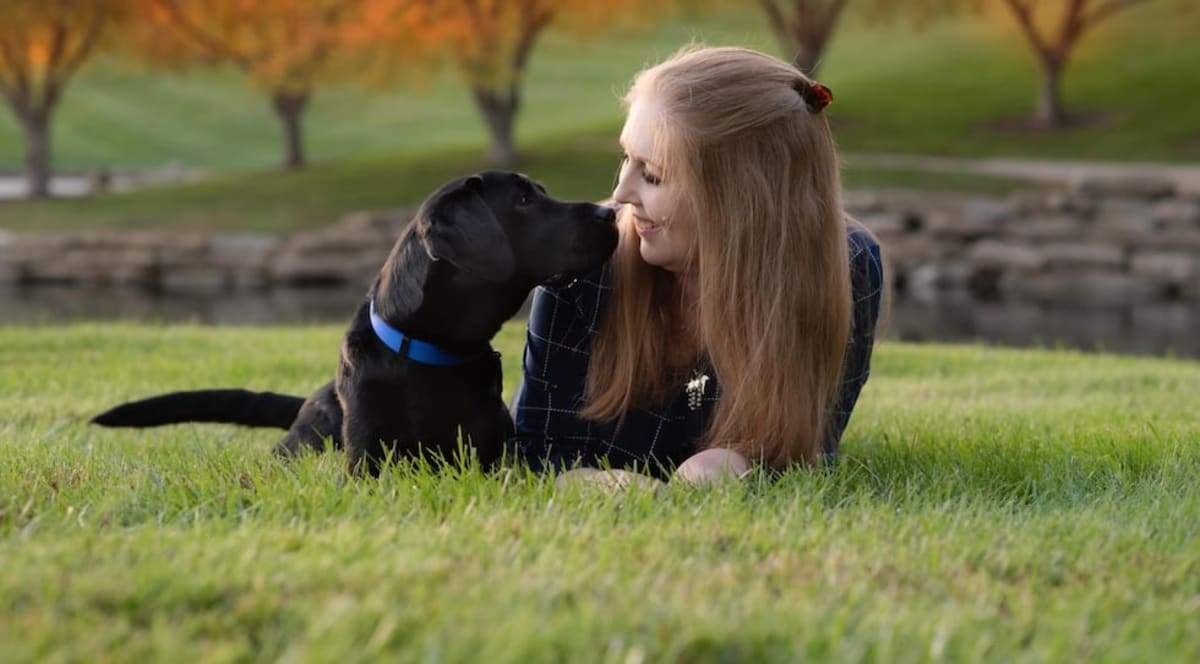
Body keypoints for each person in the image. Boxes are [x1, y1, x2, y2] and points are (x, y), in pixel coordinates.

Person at [512, 46, 884, 487]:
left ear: (739, 195)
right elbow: (536, 452)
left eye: (653, 174)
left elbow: (809, 451)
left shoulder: (845, 267)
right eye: (625, 159)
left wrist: (740, 466)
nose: (622, 192)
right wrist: (602, 485)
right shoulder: (583, 264)